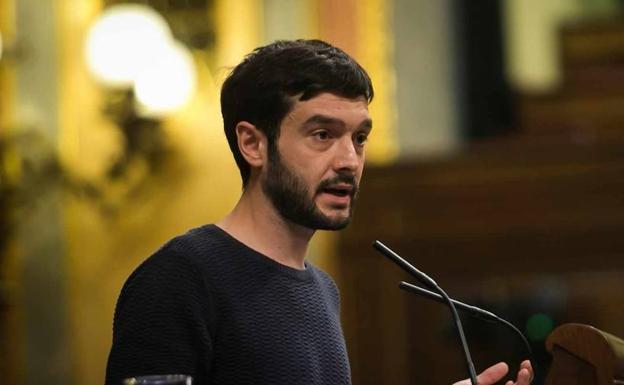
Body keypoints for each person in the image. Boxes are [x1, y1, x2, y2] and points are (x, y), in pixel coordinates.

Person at [105, 39, 532, 385]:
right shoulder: (179, 279)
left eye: (360, 138)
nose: (349, 159)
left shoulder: (322, 290)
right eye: (323, 134)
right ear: (253, 144)